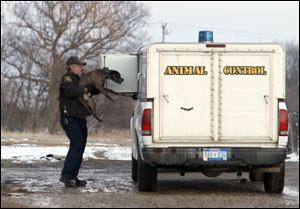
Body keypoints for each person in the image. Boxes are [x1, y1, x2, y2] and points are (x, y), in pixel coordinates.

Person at [58, 56, 99, 187]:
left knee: (80, 147)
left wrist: (100, 84)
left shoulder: (81, 80)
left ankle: (73, 176)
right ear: (72, 67)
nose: (82, 68)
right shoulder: (67, 78)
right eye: (80, 65)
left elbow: (92, 90)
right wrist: (85, 89)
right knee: (76, 145)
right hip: (69, 117)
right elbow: (71, 92)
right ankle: (66, 175)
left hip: (80, 118)